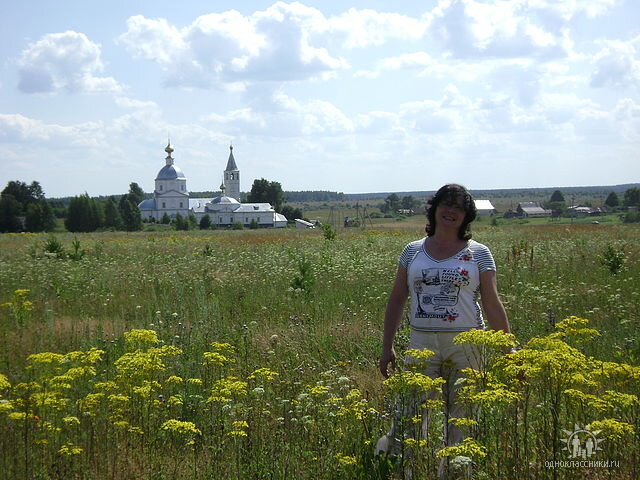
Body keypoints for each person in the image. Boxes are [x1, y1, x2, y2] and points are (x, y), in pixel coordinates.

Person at [377, 184, 514, 477]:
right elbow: (397, 298)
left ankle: (454, 475)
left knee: (462, 421)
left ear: (467, 216)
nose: (451, 211)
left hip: (466, 347)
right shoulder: (412, 251)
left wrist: (509, 350)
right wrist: (387, 346)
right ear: (434, 209)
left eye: (459, 208)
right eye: (446, 205)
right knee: (407, 417)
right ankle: (403, 471)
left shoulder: (479, 253)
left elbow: (492, 303)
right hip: (421, 343)